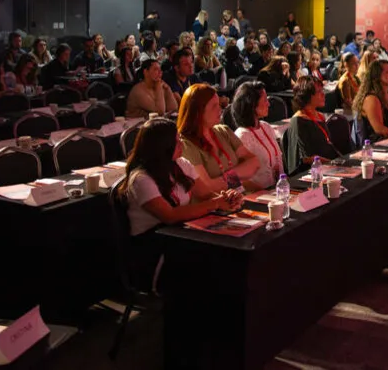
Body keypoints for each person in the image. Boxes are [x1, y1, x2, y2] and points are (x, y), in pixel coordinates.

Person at [117, 119, 243, 287]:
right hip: (154, 245)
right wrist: (215, 204)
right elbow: (170, 216)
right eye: (176, 141)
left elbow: (205, 194)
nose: (181, 144)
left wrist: (227, 198)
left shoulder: (181, 165)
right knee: (212, 260)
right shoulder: (141, 179)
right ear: (162, 146)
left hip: (180, 234)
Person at [176, 84, 260, 191]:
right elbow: (207, 187)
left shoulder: (224, 131)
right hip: (215, 205)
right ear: (198, 111)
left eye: (219, 104)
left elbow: (254, 162)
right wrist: (239, 178)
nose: (220, 109)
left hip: (239, 198)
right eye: (214, 106)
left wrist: (226, 178)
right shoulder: (186, 144)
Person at [231, 81, 283, 189]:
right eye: (265, 100)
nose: (268, 104)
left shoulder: (266, 127)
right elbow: (235, 178)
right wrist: (260, 190)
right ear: (252, 105)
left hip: (277, 190)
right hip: (259, 195)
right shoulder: (242, 136)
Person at [286, 76, 340, 173]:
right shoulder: (298, 120)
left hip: (328, 167)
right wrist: (332, 163)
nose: (323, 94)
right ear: (307, 96)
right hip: (312, 172)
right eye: (319, 92)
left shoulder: (320, 116)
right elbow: (308, 158)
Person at [352, 60, 388, 142]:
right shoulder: (371, 99)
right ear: (376, 75)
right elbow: (379, 129)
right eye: (387, 72)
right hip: (378, 146)